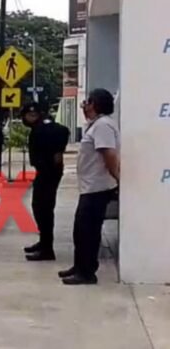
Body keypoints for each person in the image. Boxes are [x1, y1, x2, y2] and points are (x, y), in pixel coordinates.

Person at [59, 88, 120, 285]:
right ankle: (80, 266)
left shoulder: (103, 126)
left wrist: (117, 178)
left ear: (94, 104)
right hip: (90, 187)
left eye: (86, 102)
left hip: (98, 188)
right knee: (81, 231)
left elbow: (109, 154)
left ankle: (86, 272)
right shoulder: (96, 125)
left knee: (88, 232)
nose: (84, 106)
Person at [20, 101, 70, 261]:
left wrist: (58, 151)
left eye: (28, 115)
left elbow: (64, 131)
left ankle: (47, 249)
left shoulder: (45, 127)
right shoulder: (40, 127)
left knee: (44, 209)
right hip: (45, 172)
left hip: (48, 172)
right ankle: (43, 242)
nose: (26, 119)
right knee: (40, 207)